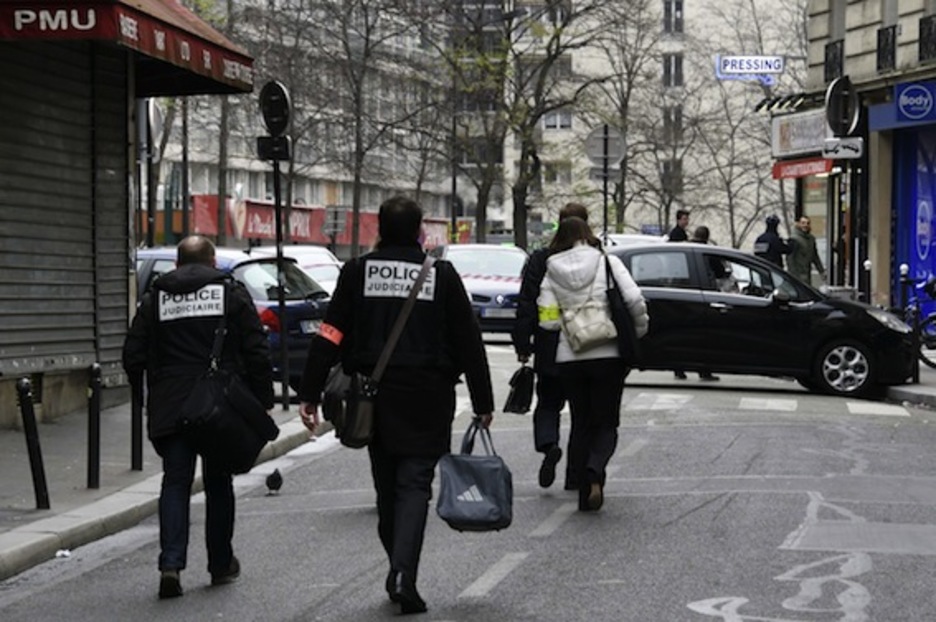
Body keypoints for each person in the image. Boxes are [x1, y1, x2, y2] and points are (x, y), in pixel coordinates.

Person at [297, 196, 494, 615]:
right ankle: (404, 573)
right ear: (420, 231)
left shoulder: (357, 273)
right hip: (427, 398)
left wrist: (310, 392)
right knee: (414, 487)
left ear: (379, 229)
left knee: (387, 488)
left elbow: (330, 334)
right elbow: (468, 340)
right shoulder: (440, 275)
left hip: (373, 398)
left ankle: (398, 566)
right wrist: (483, 399)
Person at [122, 236, 274, 599]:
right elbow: (256, 348)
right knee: (218, 482)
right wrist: (262, 400)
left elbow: (133, 354)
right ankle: (220, 564)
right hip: (219, 403)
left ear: (176, 264)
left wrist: (148, 394)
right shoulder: (230, 294)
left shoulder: (155, 298)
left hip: (171, 403)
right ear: (213, 262)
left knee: (175, 483)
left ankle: (171, 564)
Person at [537, 217, 649, 512]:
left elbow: (547, 321)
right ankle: (595, 469)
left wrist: (567, 321)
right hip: (608, 353)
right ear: (588, 234)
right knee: (607, 422)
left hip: (570, 356)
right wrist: (637, 332)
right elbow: (635, 300)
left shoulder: (552, 269)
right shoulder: (607, 262)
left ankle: (583, 491)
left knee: (581, 421)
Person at [511, 202, 589, 492]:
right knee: (582, 414)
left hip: (550, 343)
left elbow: (527, 302)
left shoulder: (541, 259)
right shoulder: (595, 259)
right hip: (586, 344)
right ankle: (575, 474)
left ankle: (549, 444)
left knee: (547, 403)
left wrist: (523, 341)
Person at [672, 226, 720, 381]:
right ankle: (704, 370)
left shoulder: (684, 249)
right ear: (706, 237)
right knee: (705, 336)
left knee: (682, 334)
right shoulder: (707, 251)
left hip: (682, 297)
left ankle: (679, 368)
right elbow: (719, 271)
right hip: (703, 297)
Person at [788, 216, 826, 285]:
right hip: (796, 275)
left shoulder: (811, 239)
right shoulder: (794, 239)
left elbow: (815, 257)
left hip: (807, 274)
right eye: (803, 223)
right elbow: (790, 258)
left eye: (808, 223)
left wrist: (821, 271)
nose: (805, 225)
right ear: (798, 224)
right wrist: (792, 275)